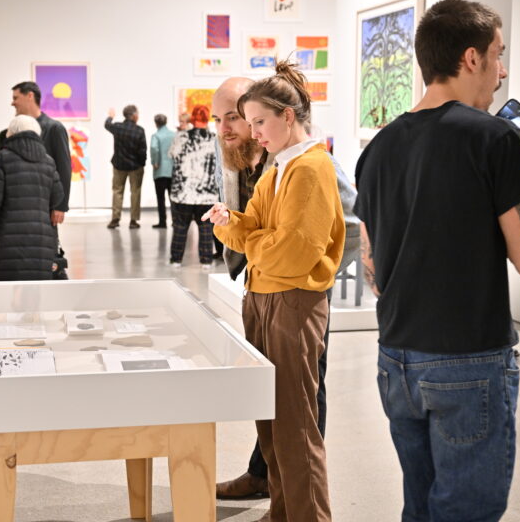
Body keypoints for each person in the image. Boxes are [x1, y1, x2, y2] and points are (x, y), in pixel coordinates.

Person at [354, 0, 520, 521]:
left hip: (396, 357)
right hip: (468, 357)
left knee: (420, 505)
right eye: (498, 54)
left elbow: (372, 267)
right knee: (466, 510)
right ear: (471, 58)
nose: (503, 68)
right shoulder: (494, 138)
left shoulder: (377, 148)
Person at [212, 77, 361, 505]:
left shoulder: (312, 168)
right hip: (263, 298)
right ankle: (282, 509)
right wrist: (234, 225)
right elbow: (251, 229)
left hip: (293, 300)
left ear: (288, 116)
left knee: (295, 423)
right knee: (273, 420)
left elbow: (292, 253)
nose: (253, 132)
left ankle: (306, 516)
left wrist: (253, 240)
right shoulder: (277, 169)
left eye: (258, 121)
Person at [0, 115, 64, 281]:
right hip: (41, 241)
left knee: (6, 296)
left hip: (8, 243)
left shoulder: (2, 158)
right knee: (37, 296)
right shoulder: (48, 161)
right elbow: (58, 197)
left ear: (11, 133)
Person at [4, 81, 72, 279]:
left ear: (30, 96)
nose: (12, 103)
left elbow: (64, 168)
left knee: (47, 252)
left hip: (46, 204)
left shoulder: (53, 128)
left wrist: (61, 205)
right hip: (20, 206)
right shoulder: (13, 130)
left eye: (16, 98)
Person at [167, 105, 218, 270]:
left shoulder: (181, 137)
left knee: (180, 227)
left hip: (183, 192)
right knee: (205, 228)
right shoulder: (215, 139)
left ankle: (176, 260)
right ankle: (206, 261)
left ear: (192, 119)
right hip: (208, 193)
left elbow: (172, 155)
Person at [105, 105, 147, 229]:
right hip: (135, 167)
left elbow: (107, 125)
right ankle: (133, 220)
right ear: (134, 116)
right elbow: (142, 151)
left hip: (119, 165)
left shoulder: (118, 127)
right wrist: (142, 164)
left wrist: (110, 117)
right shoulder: (139, 130)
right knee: (135, 192)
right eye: (137, 113)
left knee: (117, 191)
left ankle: (115, 219)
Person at [149, 114, 175, 228]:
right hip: (172, 170)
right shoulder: (173, 135)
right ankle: (175, 221)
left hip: (160, 171)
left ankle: (162, 222)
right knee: (173, 198)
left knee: (161, 198)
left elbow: (154, 148)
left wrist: (155, 162)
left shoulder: (156, 136)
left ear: (156, 123)